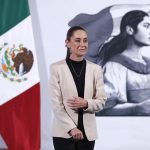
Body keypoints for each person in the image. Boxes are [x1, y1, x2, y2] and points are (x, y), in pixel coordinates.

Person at [50, 26, 106, 150]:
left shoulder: (95, 69)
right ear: (67, 43)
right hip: (64, 133)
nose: (82, 44)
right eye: (77, 40)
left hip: (88, 135)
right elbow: (56, 105)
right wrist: (71, 128)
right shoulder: (56, 68)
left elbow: (101, 101)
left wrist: (86, 103)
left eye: (85, 40)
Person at [96, 10, 150, 116]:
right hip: (129, 128)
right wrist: (137, 108)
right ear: (130, 30)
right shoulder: (115, 66)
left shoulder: (147, 63)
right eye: (146, 26)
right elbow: (106, 109)